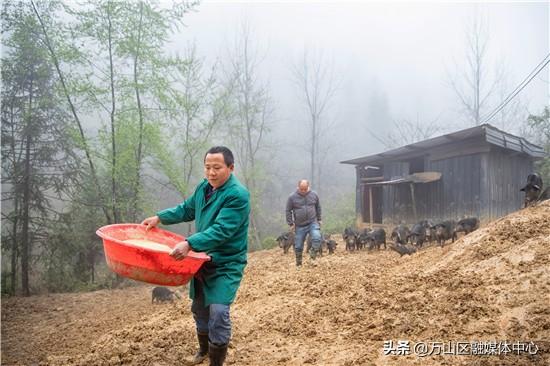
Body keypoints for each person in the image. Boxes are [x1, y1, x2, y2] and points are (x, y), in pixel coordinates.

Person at [141, 146, 250, 366]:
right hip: (201, 259)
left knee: (218, 311)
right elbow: (186, 209)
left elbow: (222, 229)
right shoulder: (204, 187)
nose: (211, 172)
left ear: (231, 168)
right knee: (199, 307)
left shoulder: (238, 195)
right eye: (208, 167)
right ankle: (203, 350)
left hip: (225, 263)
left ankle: (216, 362)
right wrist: (159, 218)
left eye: (217, 167)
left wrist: (189, 243)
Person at [285, 179, 322, 266]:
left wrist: (319, 219)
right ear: (298, 187)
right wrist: (290, 223)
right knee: (298, 245)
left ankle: (312, 257)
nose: (303, 191)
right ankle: (299, 264)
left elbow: (318, 207)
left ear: (308, 187)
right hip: (299, 225)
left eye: (305, 189)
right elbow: (288, 210)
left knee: (317, 238)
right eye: (301, 189)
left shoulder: (314, 195)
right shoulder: (292, 197)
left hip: (312, 222)